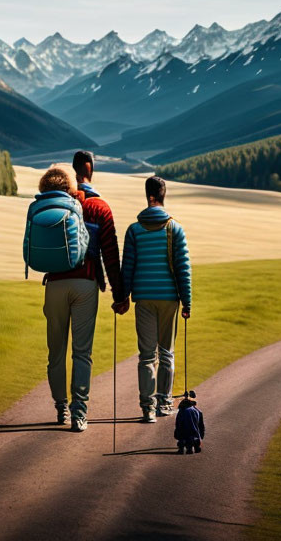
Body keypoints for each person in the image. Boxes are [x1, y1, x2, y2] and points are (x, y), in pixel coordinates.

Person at [33, 155, 125, 433]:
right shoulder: (99, 207)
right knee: (82, 353)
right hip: (86, 284)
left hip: (54, 285)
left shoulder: (53, 205)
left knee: (56, 351)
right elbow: (110, 255)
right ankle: (79, 413)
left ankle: (60, 406)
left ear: (71, 172)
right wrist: (120, 295)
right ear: (90, 170)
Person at [121, 176, 192, 423]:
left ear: (148, 196)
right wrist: (187, 302)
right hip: (170, 300)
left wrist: (122, 298)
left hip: (144, 301)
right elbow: (183, 268)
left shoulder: (134, 230)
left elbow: (127, 269)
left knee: (146, 356)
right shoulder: (176, 229)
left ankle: (147, 408)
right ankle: (164, 403)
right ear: (163, 196)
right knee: (167, 353)